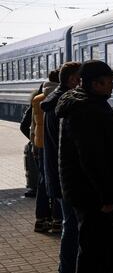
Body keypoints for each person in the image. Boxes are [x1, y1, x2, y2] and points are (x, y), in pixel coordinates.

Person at [55, 60, 113, 273]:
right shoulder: (85, 110)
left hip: (91, 191)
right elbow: (92, 159)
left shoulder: (90, 104)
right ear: (95, 84)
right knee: (91, 250)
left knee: (101, 245)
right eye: (109, 80)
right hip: (91, 194)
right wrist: (106, 196)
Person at [41, 61, 81, 273]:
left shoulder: (52, 100)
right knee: (72, 228)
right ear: (73, 80)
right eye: (80, 79)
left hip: (59, 175)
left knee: (71, 227)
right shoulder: (64, 104)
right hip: (68, 177)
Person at [32, 72, 62, 233]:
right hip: (54, 144)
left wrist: (34, 143)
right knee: (57, 180)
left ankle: (41, 219)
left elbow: (32, 125)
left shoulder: (37, 99)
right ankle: (58, 219)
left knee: (43, 182)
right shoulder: (61, 98)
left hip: (40, 144)